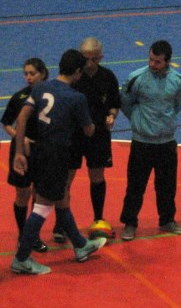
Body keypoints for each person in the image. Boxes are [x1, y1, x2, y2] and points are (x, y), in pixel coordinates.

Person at [10, 50, 108, 274]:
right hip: (57, 155)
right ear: (77, 72)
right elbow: (89, 130)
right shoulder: (76, 97)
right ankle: (21, 258)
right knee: (43, 207)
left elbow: (22, 117)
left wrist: (18, 152)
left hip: (39, 151)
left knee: (62, 198)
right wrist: (91, 120)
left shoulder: (42, 87)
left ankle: (81, 246)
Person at [118, 40, 181, 241]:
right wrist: (138, 121)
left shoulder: (178, 81)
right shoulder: (136, 78)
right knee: (135, 185)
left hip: (166, 142)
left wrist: (164, 124)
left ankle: (167, 220)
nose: (152, 64)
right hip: (142, 142)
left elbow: (177, 105)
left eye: (157, 61)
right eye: (150, 59)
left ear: (167, 61)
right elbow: (125, 103)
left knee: (167, 185)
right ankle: (130, 223)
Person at [55, 37, 120, 242]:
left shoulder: (108, 77)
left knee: (97, 176)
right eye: (86, 59)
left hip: (98, 136)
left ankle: (98, 219)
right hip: (73, 136)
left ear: (101, 57)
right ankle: (60, 224)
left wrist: (112, 115)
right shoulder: (73, 77)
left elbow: (114, 104)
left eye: (94, 59)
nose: (90, 63)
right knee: (67, 179)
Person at [3, 58, 49, 253]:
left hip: (42, 150)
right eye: (26, 74)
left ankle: (33, 235)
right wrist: (22, 139)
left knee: (39, 195)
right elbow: (6, 123)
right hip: (21, 151)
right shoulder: (19, 97)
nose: (28, 78)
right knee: (22, 193)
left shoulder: (49, 97)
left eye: (33, 73)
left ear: (43, 74)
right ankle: (23, 236)